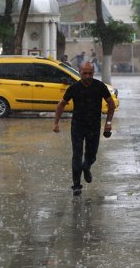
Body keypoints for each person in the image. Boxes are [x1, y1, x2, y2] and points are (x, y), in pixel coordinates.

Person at [53, 62, 115, 196]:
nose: (87, 76)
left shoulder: (99, 86)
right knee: (76, 155)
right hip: (77, 126)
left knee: (91, 155)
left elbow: (111, 104)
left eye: (90, 73)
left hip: (94, 126)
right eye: (84, 73)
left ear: (93, 72)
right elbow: (61, 104)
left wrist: (108, 123)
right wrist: (56, 123)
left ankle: (86, 167)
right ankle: (76, 185)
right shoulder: (74, 87)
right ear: (79, 72)